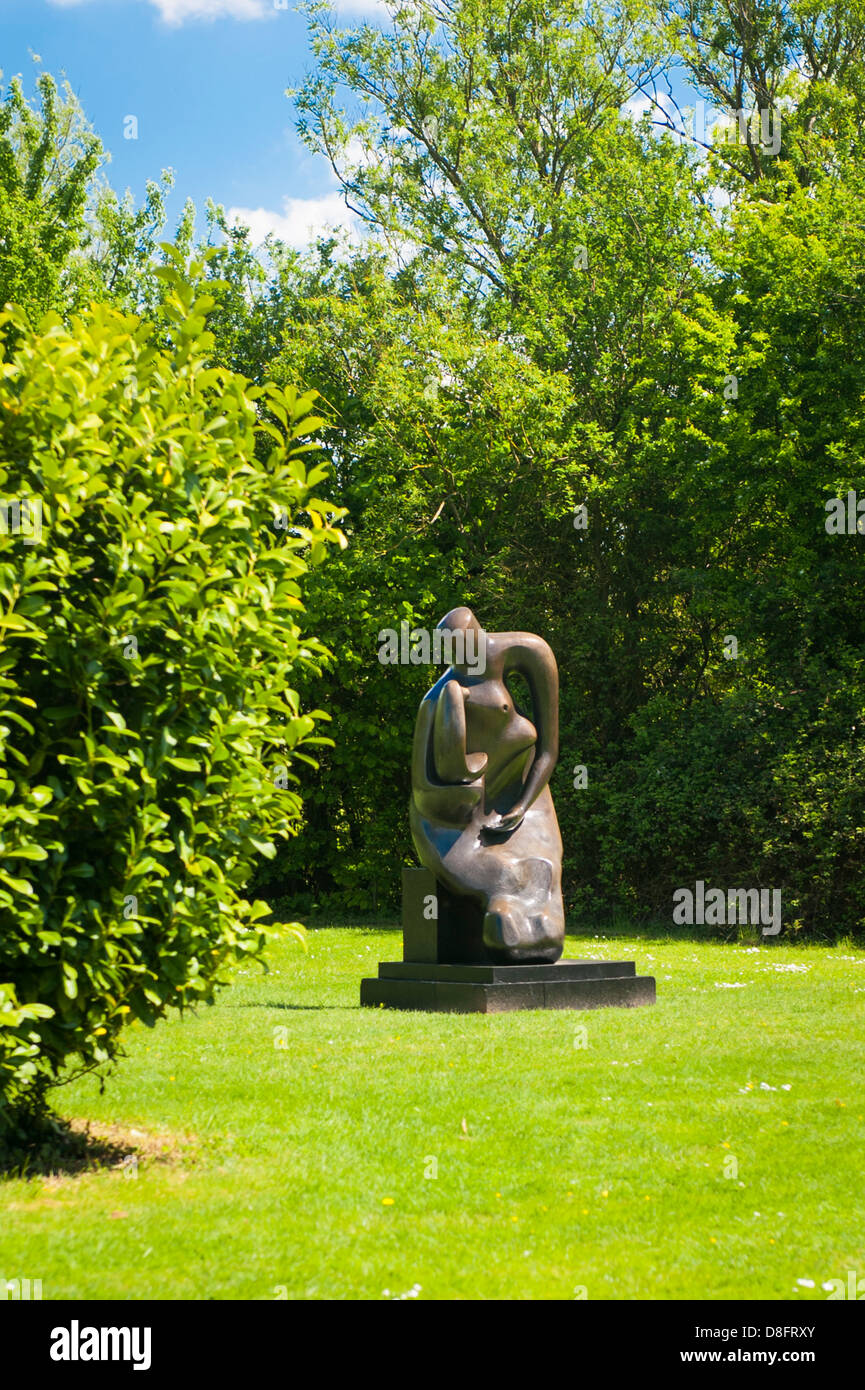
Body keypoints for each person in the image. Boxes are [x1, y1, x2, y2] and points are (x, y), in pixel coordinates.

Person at [409, 607, 565, 963]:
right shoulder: (437, 702)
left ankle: (541, 921)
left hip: (524, 793)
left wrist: (522, 806)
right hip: (464, 819)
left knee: (540, 866)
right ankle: (504, 914)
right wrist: (466, 794)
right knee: (503, 876)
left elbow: (549, 751)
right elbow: (424, 794)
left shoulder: (526, 650)